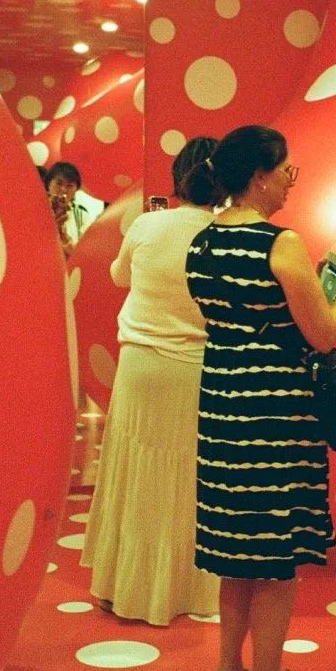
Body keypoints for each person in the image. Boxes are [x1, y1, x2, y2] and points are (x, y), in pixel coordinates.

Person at [185, 125, 336, 671]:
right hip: (274, 416)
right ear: (260, 175)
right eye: (288, 167)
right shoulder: (281, 242)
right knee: (275, 558)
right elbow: (321, 331)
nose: (294, 175)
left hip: (222, 409)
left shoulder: (204, 242)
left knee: (237, 553)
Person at [79, 137, 224, 626]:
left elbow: (120, 276)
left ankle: (125, 586)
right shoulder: (228, 234)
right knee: (191, 478)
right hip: (198, 367)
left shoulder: (147, 223)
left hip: (140, 366)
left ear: (177, 177)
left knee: (135, 470)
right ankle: (183, 588)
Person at [43, 161, 102, 257]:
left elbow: (83, 254)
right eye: (59, 183)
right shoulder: (35, 210)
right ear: (49, 184)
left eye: (69, 186)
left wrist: (63, 235)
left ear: (76, 190)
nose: (63, 189)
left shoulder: (81, 215)